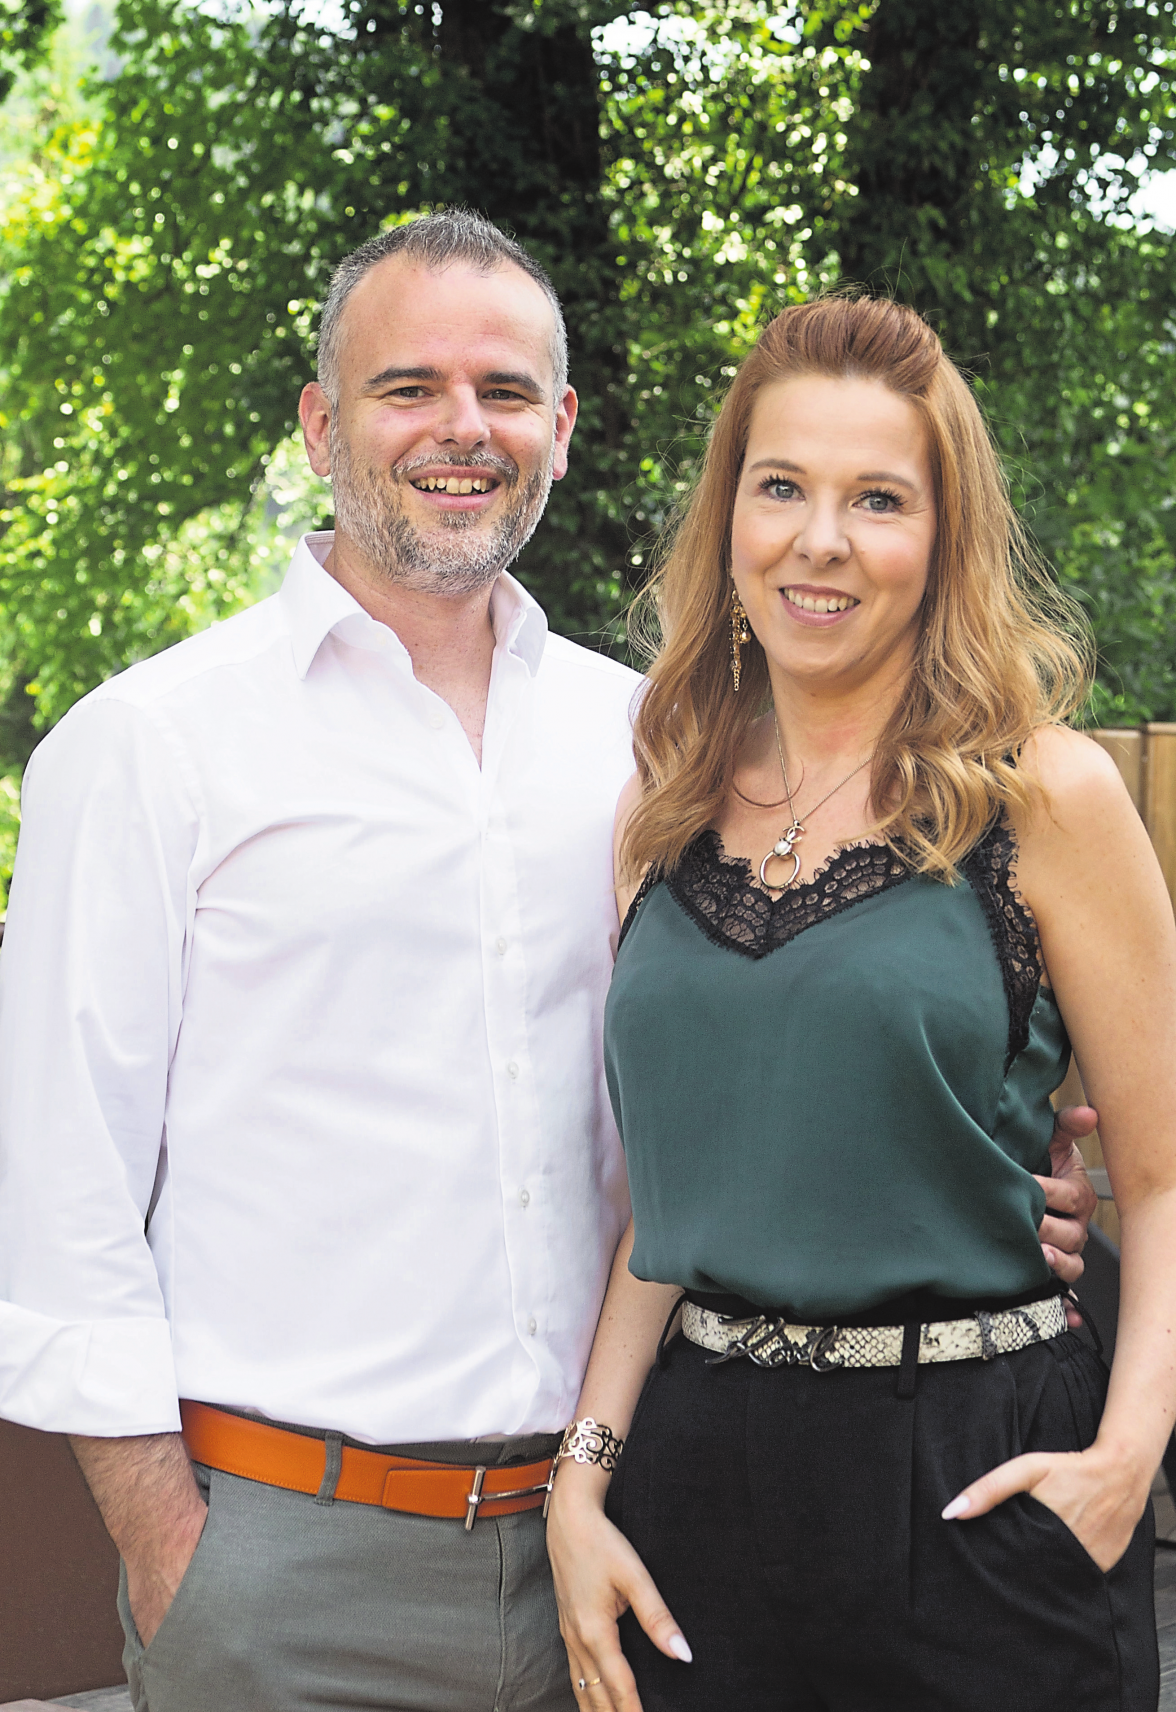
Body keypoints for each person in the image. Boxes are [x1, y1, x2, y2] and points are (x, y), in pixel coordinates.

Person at [0, 225, 1093, 1712]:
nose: (464, 429)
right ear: (322, 423)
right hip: (294, 1569)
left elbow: (730, 1095)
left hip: (647, 1539)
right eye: (408, 387)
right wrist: (173, 1553)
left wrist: (966, 1182)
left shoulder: (656, 745)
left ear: (562, 432)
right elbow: (59, 1196)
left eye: (507, 390)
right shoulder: (151, 749)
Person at [545, 295, 1171, 1712]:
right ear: (730, 518)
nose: (819, 540)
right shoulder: (665, 795)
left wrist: (1129, 1456)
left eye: (877, 498)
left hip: (982, 1471)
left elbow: (1167, 1174)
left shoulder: (1044, 795)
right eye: (782, 488)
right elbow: (672, 1190)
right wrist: (581, 1485)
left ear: (943, 540)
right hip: (696, 1481)